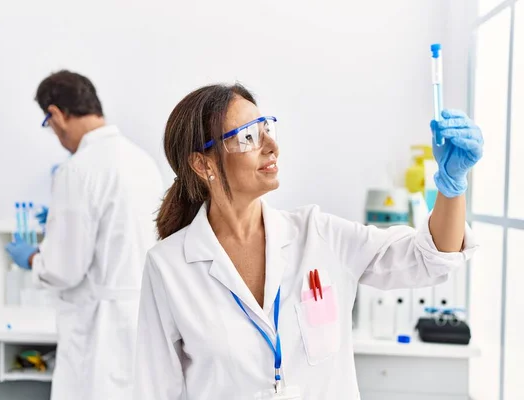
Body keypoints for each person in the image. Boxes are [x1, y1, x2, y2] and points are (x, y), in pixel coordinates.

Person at [134, 83, 483, 399]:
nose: (272, 146)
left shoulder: (319, 234)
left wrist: (451, 186)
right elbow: (156, 390)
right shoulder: (169, 266)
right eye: (248, 138)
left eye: (266, 129)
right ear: (202, 163)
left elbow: (429, 258)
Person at [5, 70, 164, 400]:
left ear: (56, 114)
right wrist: (63, 224)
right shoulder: (142, 161)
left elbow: (64, 270)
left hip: (100, 333)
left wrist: (33, 257)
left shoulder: (77, 169)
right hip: (145, 321)